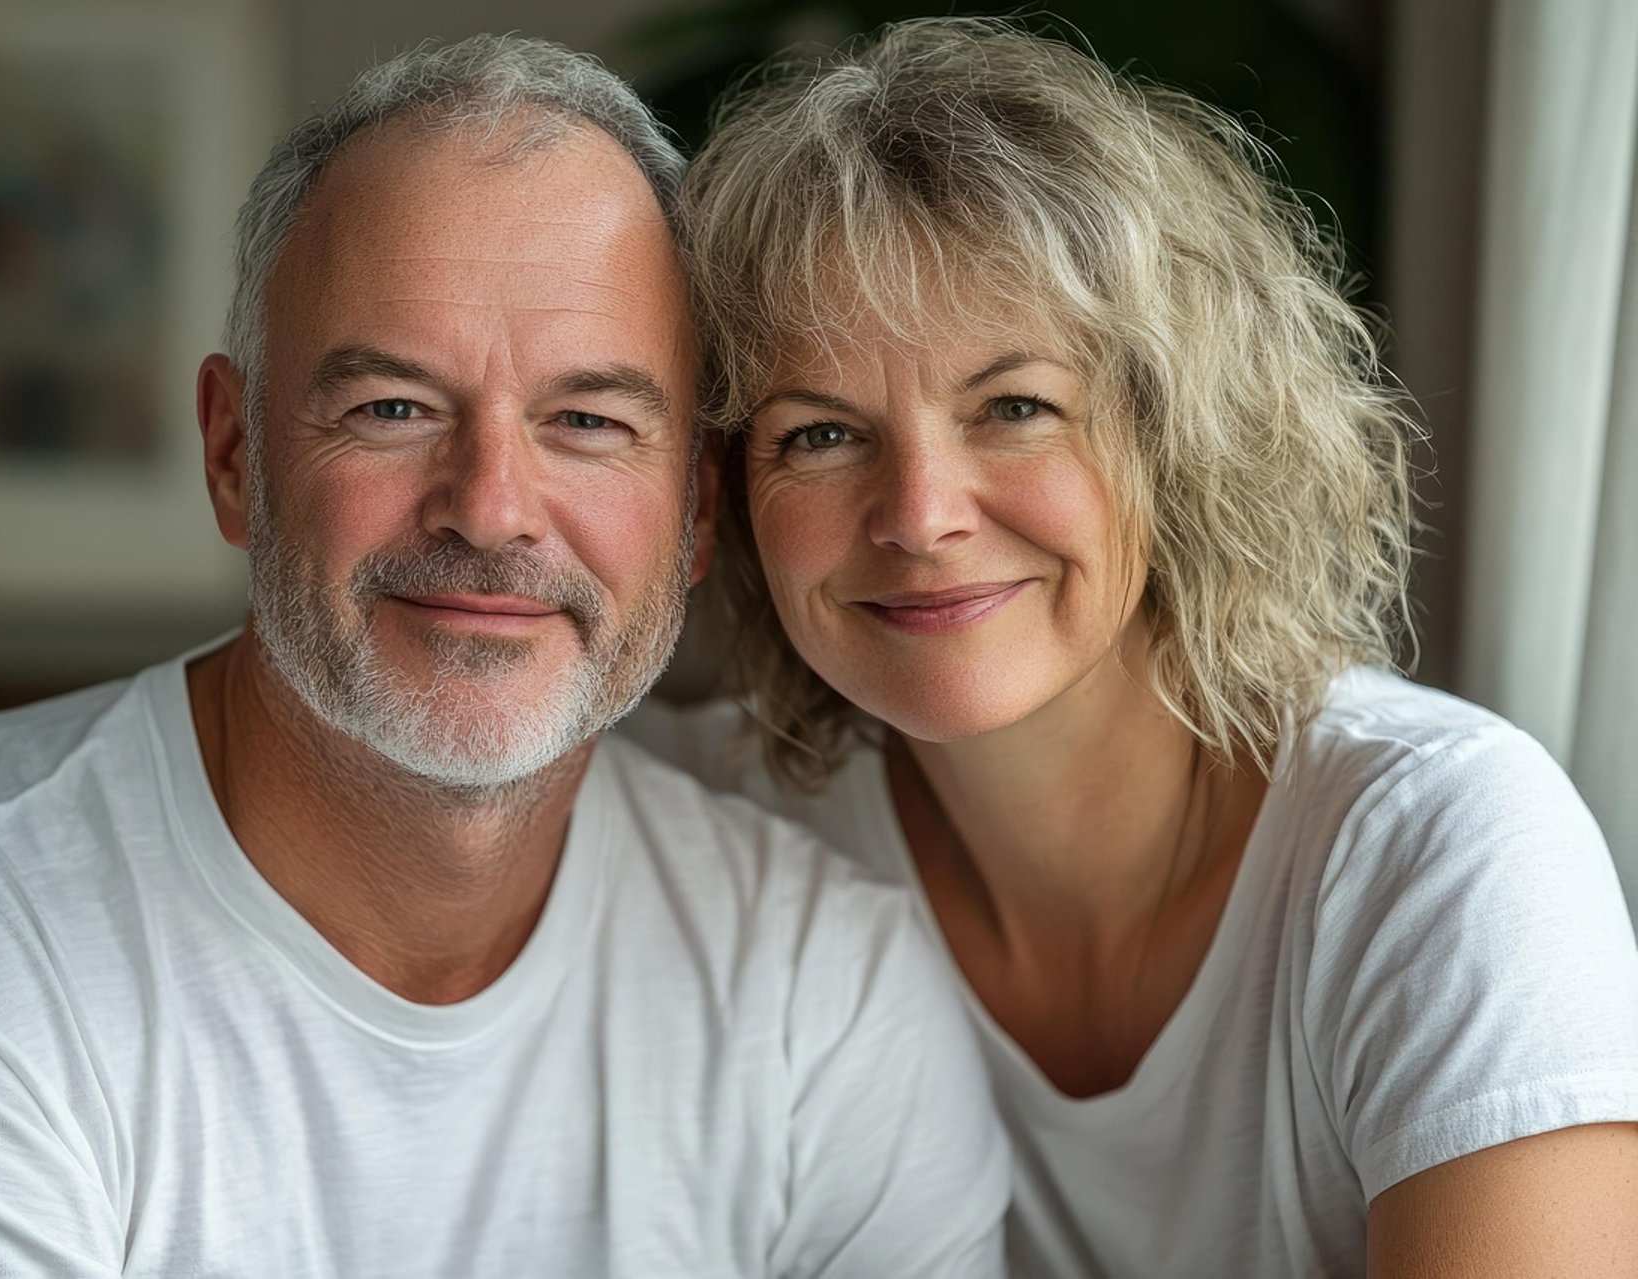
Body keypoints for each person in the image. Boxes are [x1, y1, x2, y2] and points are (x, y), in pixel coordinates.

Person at [0, 37, 1007, 1276]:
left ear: (700, 515)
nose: (490, 505)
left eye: (589, 419)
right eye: (392, 407)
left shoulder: (818, 989)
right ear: (236, 456)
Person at [628, 16, 1638, 1276]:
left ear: (1174, 440)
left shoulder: (1439, 854)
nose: (922, 514)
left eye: (1015, 408)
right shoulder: (709, 830)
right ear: (723, 494)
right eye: (820, 434)